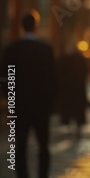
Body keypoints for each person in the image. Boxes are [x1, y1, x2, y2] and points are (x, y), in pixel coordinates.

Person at [1, 11, 57, 178]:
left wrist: (11, 100)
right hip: (41, 107)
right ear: (36, 26)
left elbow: (6, 78)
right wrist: (49, 103)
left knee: (20, 146)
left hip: (20, 107)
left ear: (21, 27)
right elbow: (53, 80)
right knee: (43, 146)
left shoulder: (12, 50)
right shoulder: (45, 50)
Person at [57, 42, 89, 139]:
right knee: (78, 110)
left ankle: (70, 129)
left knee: (69, 110)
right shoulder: (81, 60)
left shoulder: (65, 60)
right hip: (78, 90)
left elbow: (60, 73)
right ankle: (77, 129)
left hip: (68, 90)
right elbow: (86, 72)